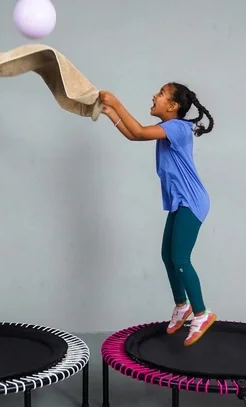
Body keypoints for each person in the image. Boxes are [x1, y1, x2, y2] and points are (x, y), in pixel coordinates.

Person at [98, 83, 216, 346]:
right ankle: (181, 305)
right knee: (168, 256)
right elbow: (133, 136)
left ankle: (201, 313)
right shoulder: (168, 130)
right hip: (182, 202)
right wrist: (109, 113)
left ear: (172, 106)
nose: (154, 95)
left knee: (180, 258)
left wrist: (116, 103)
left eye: (161, 94)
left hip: (192, 201)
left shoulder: (176, 127)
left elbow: (138, 132)